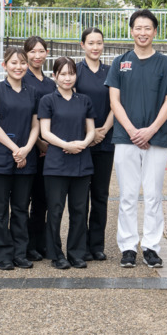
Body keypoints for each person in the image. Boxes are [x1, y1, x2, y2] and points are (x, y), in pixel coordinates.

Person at [106, 8, 167, 269]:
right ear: (131, 30)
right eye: (138, 27)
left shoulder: (165, 63)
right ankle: (128, 247)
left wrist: (149, 130)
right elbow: (114, 100)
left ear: (155, 31)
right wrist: (132, 131)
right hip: (125, 138)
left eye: (147, 28)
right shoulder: (120, 62)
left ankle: (151, 246)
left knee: (153, 195)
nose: (142, 32)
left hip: (156, 138)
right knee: (126, 195)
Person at [0, 47, 40, 271]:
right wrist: (15, 148)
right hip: (0, 157)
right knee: (0, 210)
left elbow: (36, 124)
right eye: (14, 63)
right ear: (4, 65)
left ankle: (20, 252)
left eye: (22, 63)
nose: (19, 67)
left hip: (25, 157)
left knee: (20, 208)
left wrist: (26, 148)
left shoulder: (32, 91)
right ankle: (4, 255)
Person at [39, 56, 96, 269]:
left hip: (82, 161)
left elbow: (90, 129)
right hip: (56, 163)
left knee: (80, 210)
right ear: (54, 76)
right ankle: (56, 254)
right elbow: (45, 132)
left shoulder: (84, 100)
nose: (67, 78)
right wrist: (66, 145)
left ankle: (76, 253)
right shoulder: (47, 100)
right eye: (62, 74)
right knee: (55, 210)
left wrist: (83, 143)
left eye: (71, 73)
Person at [74, 27, 115, 262]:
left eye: (99, 43)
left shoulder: (111, 72)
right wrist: (89, 135)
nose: (95, 47)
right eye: (91, 43)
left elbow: (115, 103)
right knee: (80, 198)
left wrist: (104, 130)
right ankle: (80, 245)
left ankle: (96, 244)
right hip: (81, 142)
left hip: (105, 141)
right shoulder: (75, 71)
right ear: (82, 45)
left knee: (100, 195)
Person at [23, 35, 55, 262]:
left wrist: (49, 143)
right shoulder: (21, 79)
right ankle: (25, 245)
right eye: (32, 51)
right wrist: (38, 142)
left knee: (43, 200)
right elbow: (24, 118)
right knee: (24, 199)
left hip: (48, 150)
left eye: (41, 51)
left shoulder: (50, 83)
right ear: (26, 54)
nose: (37, 55)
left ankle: (40, 242)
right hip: (28, 146)